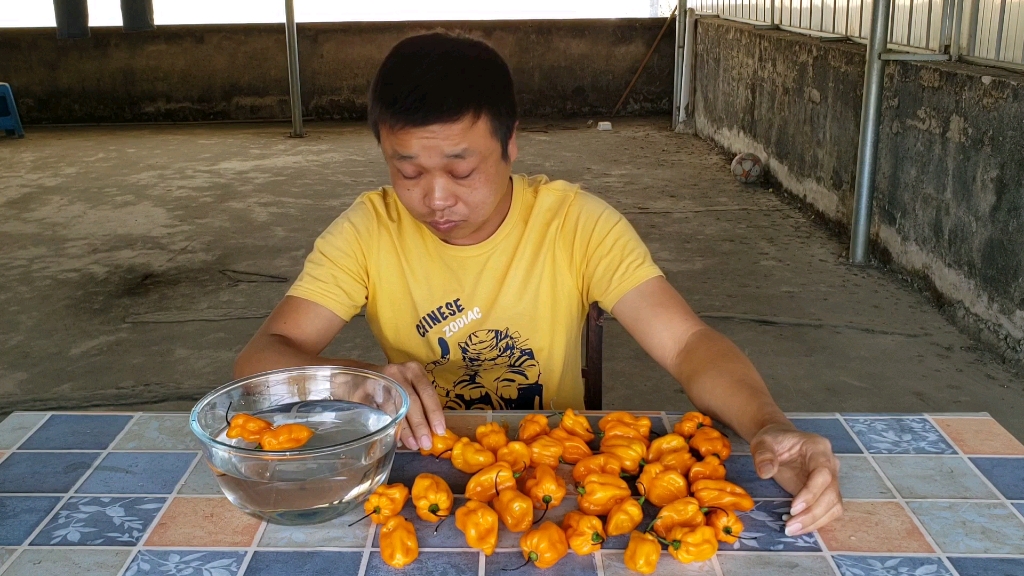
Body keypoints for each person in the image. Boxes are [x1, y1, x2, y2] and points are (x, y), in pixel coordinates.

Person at [235, 32, 842, 536]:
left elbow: (686, 345)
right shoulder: (368, 231)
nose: (436, 197)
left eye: (461, 168)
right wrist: (358, 379)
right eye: (408, 170)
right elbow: (260, 362)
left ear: (511, 142)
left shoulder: (575, 224)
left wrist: (768, 425)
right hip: (427, 479)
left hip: (560, 482)